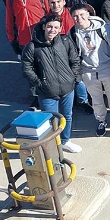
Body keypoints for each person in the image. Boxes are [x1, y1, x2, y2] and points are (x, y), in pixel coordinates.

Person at [21, 14, 82, 153]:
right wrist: (39, 83)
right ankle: (53, 144)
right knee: (50, 119)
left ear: (60, 28)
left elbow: (75, 60)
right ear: (44, 27)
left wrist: (72, 77)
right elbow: (26, 68)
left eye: (56, 27)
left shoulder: (65, 41)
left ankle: (65, 141)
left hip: (67, 88)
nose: (52, 30)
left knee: (67, 116)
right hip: (47, 91)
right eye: (49, 26)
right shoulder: (32, 46)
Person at [69, 4, 110, 137]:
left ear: (88, 14)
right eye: (75, 16)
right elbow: (74, 53)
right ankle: (101, 119)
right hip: (87, 69)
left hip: (107, 66)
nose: (79, 18)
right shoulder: (73, 33)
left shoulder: (103, 28)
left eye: (81, 14)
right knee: (96, 97)